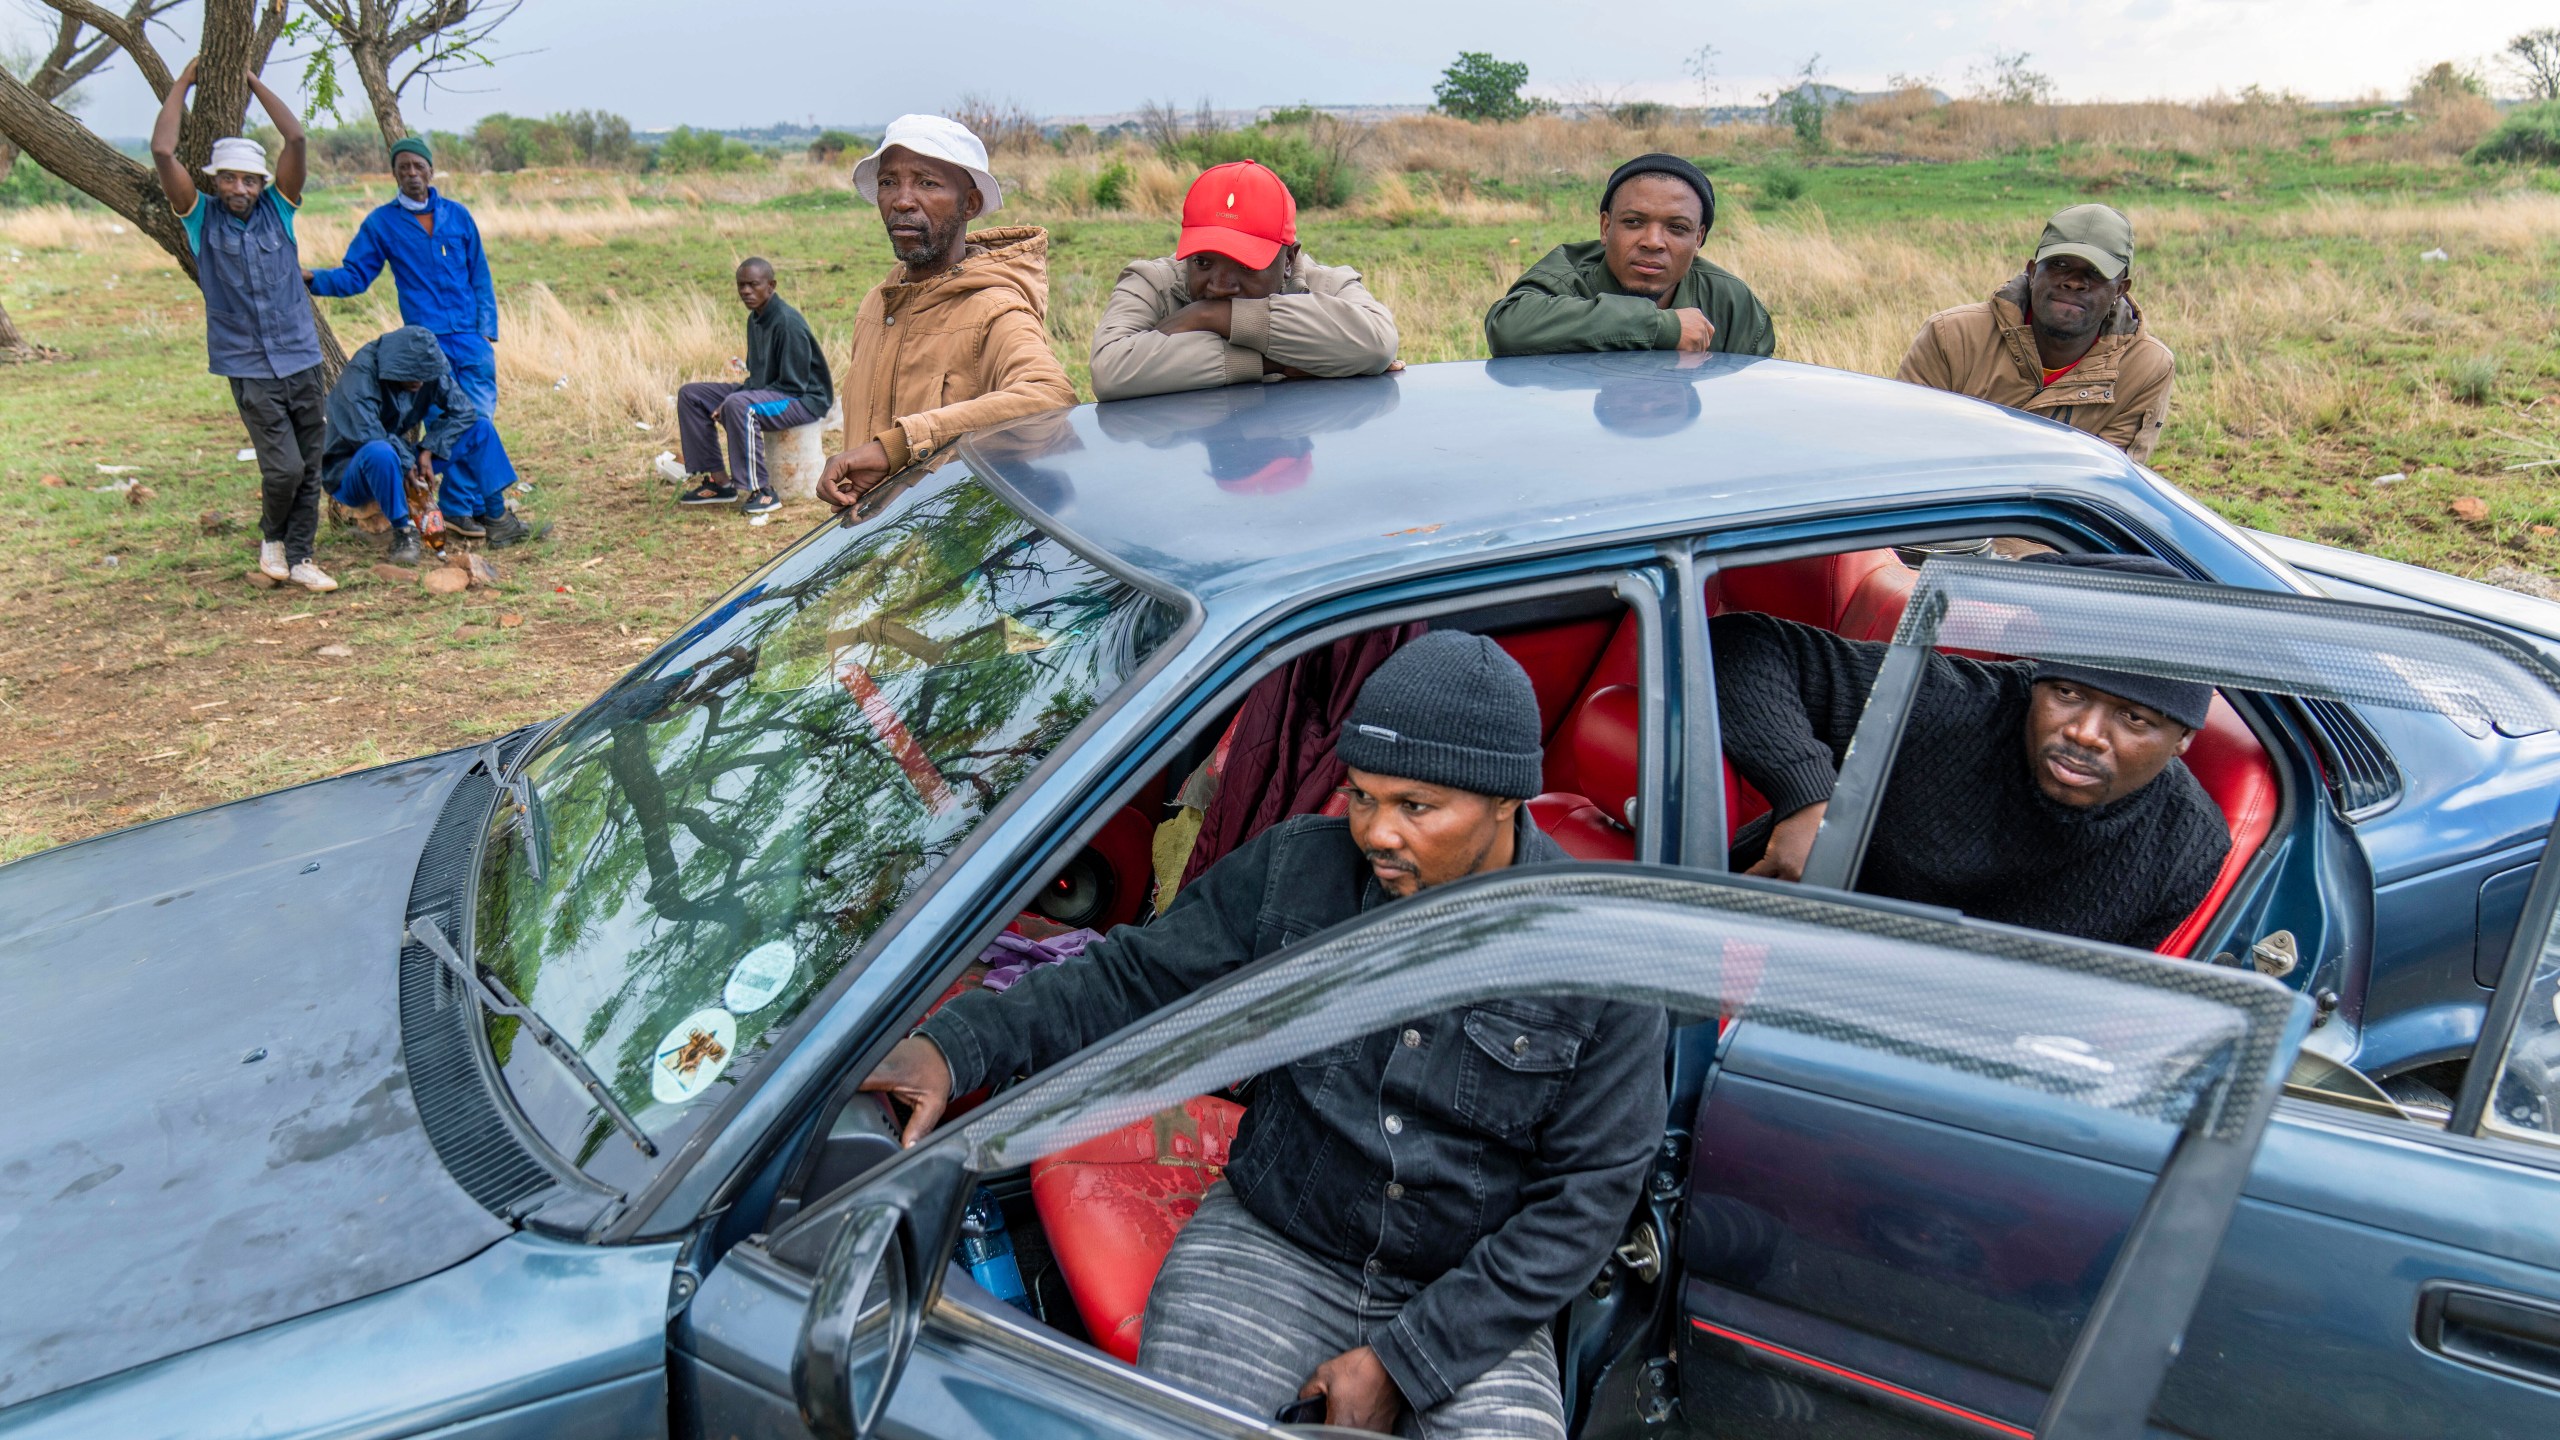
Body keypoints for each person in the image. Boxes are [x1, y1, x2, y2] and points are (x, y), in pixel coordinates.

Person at [861, 632, 1667, 1438]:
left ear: (1505, 799)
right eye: (1359, 796)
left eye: (1414, 807)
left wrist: (1408, 1359)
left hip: (1471, 1298)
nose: (1376, 832)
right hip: (1274, 1244)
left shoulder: (1600, 956)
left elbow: (1588, 1197)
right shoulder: (1295, 873)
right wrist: (952, 1048)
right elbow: (1129, 979)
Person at [1711, 552, 2230, 950]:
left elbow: (2093, 1004)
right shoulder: (1957, 703)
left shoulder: (2185, 845)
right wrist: (1806, 797)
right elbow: (1736, 645)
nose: (2085, 733)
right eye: (2067, 694)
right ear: (2038, 681)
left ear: (2183, 738)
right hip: (1764, 949)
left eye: (2134, 718)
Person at [815, 115, 1076, 510]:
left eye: (927, 182)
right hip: (876, 544)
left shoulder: (993, 309)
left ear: (969, 204)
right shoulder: (877, 304)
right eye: (888, 182)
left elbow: (1050, 400)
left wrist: (900, 446)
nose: (901, 200)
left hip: (953, 548)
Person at [150, 57, 335, 593]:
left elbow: (295, 139)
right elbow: (163, 151)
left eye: (248, 179)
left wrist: (251, 80)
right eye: (228, 178)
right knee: (284, 469)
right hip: (248, 365)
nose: (239, 187)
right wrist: (184, 82)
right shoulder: (200, 217)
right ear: (216, 181)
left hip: (301, 354)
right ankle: (272, 539)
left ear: (260, 183)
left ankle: (300, 557)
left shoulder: (280, 210)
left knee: (311, 465)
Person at [304, 135, 531, 545]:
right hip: (425, 347)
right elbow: (355, 275)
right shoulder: (381, 223)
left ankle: (463, 506)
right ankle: (465, 510)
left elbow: (480, 275)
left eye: (418, 166)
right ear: (394, 173)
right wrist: (313, 280)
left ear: (431, 169)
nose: (411, 174)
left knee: (476, 418)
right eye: (403, 167)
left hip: (471, 340)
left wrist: (485, 331)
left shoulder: (458, 217)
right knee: (445, 421)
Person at [1088, 160, 1398, 401]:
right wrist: (1273, 364)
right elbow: (1110, 371)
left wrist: (1213, 316)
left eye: (1246, 265)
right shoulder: (1152, 282)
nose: (1220, 285)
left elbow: (1377, 344)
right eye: (1202, 262)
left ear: (1289, 259)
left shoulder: (1330, 285)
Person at [1896, 203, 2175, 464]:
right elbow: (1907, 449)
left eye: (2095, 272)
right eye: (2060, 264)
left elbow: (2104, 482)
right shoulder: (1951, 336)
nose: (2075, 282)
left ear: (2120, 290)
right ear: (2032, 272)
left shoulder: (2145, 367)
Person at [1485, 153, 1773, 359]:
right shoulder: (1568, 277)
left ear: (1698, 238)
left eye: (1677, 228)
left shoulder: (1731, 303)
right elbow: (1507, 327)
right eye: (1634, 222)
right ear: (1606, 227)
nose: (1653, 242)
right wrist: (1664, 327)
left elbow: (1752, 400)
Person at [674, 258, 836, 516]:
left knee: (740, 405)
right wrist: (735, 396)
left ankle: (762, 491)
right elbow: (756, 379)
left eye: (753, 285)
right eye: (741, 286)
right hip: (769, 391)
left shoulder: (787, 322)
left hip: (803, 399)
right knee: (691, 395)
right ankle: (719, 482)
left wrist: (736, 400)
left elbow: (792, 385)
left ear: (771, 285)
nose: (746, 291)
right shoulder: (756, 319)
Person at [318, 327, 485, 566]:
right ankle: (404, 532)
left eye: (424, 375)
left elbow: (464, 411)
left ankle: (494, 513)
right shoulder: (362, 373)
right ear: (395, 367)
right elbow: (367, 433)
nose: (419, 381)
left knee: (480, 428)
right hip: (350, 471)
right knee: (380, 450)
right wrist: (408, 462)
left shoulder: (427, 368)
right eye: (412, 374)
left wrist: (429, 450)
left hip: (399, 455)